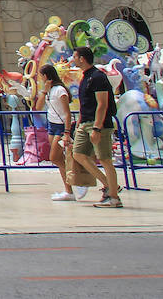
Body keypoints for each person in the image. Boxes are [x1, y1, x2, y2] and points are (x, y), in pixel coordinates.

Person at [70, 46, 122, 208]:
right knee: (78, 154)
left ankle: (113, 197)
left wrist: (97, 128)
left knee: (105, 159)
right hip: (85, 122)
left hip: (98, 123)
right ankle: (108, 184)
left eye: (75, 56)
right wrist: (79, 122)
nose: (73, 59)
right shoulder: (86, 77)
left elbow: (102, 104)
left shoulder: (98, 77)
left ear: (82, 58)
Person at [37, 64, 75, 200]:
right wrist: (43, 91)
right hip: (52, 125)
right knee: (59, 159)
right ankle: (68, 189)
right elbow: (38, 107)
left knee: (54, 157)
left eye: (41, 75)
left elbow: (67, 113)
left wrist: (67, 132)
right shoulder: (48, 91)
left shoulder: (60, 90)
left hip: (61, 126)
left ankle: (72, 183)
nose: (40, 78)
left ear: (46, 76)